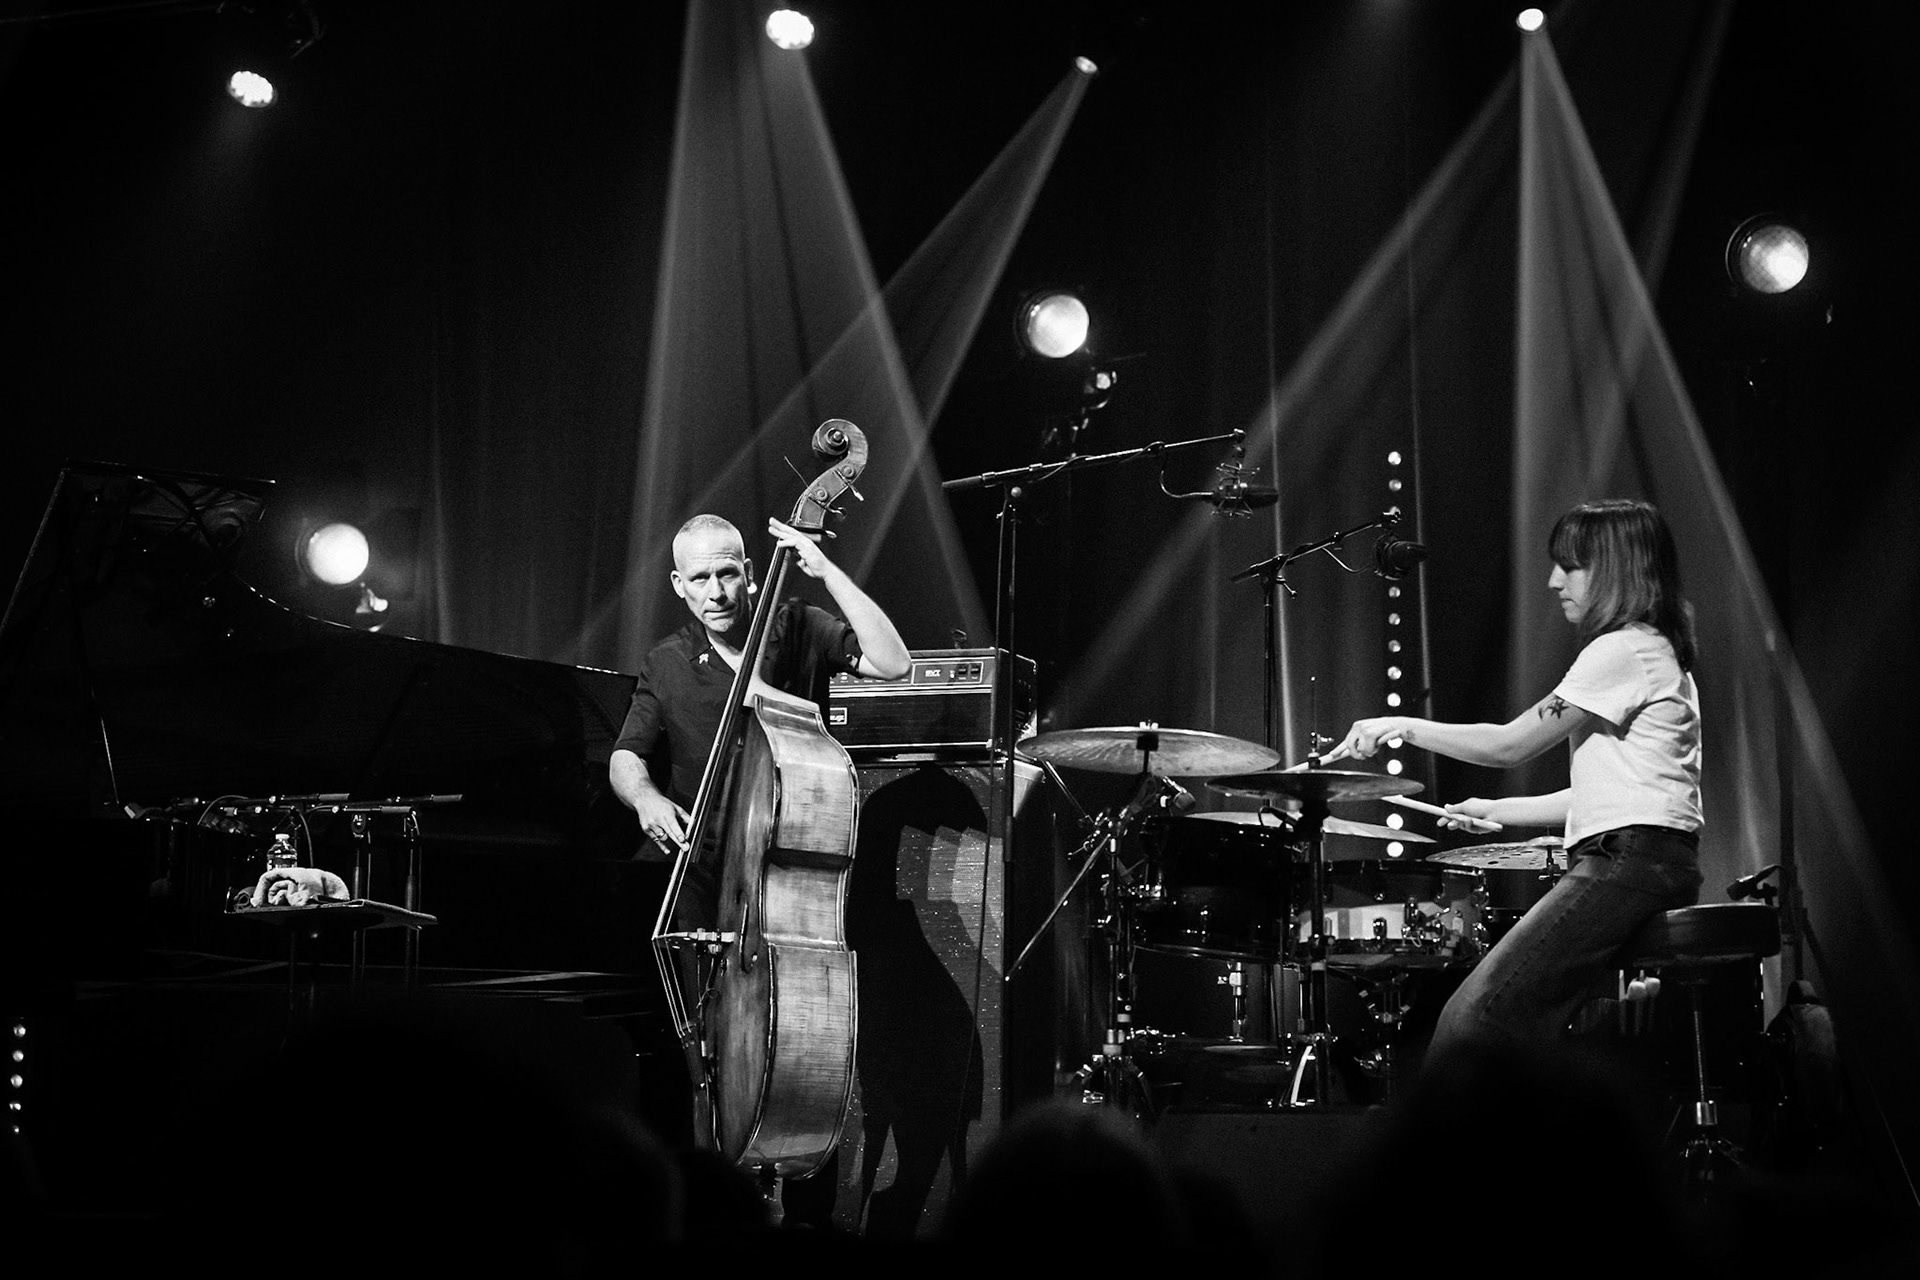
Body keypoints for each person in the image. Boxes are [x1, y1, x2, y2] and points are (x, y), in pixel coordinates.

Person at [1337, 498, 1702, 1061]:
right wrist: (1500, 811)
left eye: (1571, 566)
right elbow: (1624, 795)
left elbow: (1510, 744)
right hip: (1647, 858)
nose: (1554, 581)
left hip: (1629, 862)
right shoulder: (1653, 651)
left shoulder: (1622, 649)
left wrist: (1401, 726)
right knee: (1521, 1031)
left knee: (1474, 1022)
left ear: (1615, 570)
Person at [610, 511, 911, 880]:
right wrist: (646, 798)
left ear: (749, 573)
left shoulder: (801, 625)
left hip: (791, 855)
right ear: (679, 583)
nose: (716, 594)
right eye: (700, 579)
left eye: (727, 574)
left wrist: (828, 573)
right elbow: (626, 754)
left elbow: (894, 664)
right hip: (699, 861)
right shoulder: (665, 661)